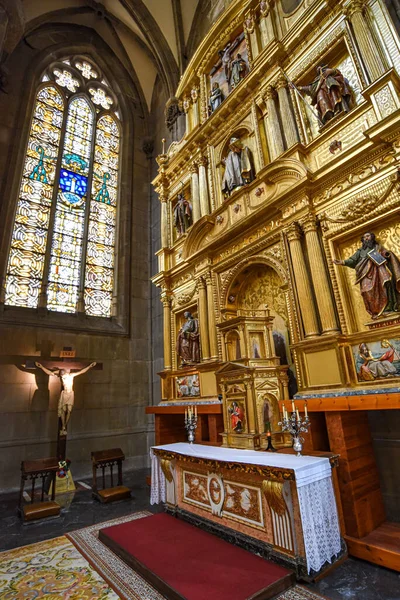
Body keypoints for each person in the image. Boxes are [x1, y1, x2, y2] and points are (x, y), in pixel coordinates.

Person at [334, 232, 400, 319]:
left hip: (380, 272)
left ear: (372, 237)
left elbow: (385, 254)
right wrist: (342, 262)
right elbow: (352, 261)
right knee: (367, 292)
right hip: (365, 274)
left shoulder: (378, 247)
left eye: (368, 236)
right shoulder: (360, 252)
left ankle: (388, 308)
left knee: (385, 286)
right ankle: (375, 312)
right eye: (364, 237)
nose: (366, 238)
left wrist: (387, 254)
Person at [35, 362, 96, 435]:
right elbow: (50, 373)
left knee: (69, 410)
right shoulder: (61, 375)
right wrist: (41, 366)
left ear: (65, 374)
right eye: (61, 376)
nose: (62, 378)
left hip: (70, 394)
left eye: (63, 376)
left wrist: (89, 366)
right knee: (62, 410)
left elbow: (81, 371)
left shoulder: (71, 375)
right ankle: (63, 426)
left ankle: (64, 426)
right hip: (64, 394)